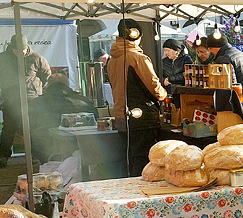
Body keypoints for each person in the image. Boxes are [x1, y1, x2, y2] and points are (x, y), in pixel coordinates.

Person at [106, 19, 167, 176]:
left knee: (128, 159)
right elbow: (154, 86)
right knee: (143, 161)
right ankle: (140, 197)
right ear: (137, 35)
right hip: (142, 118)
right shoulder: (137, 58)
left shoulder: (112, 60)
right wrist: (164, 95)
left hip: (121, 116)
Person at [0, 34, 51, 168]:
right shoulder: (1, 59)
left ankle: (36, 156)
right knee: (8, 128)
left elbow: (46, 75)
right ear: (12, 48)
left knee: (33, 129)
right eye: (19, 49)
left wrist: (38, 90)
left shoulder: (36, 58)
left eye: (24, 49)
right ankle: (3, 157)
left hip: (32, 100)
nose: (22, 52)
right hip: (11, 99)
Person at [29, 73, 97, 163]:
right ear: (67, 84)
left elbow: (29, 126)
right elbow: (96, 119)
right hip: (79, 145)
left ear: (48, 85)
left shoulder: (36, 103)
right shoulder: (82, 100)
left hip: (44, 147)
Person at [205, 30, 243, 111]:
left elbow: (231, 85)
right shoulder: (239, 54)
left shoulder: (224, 58)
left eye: (210, 48)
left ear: (214, 47)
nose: (210, 52)